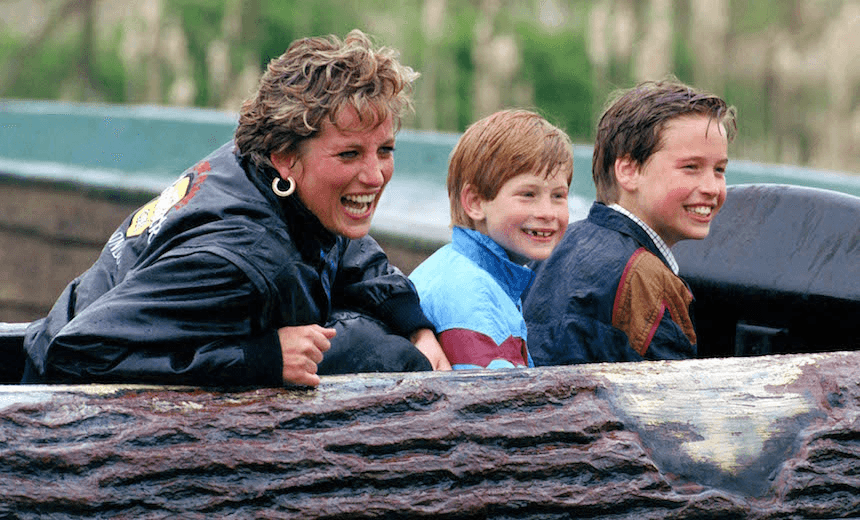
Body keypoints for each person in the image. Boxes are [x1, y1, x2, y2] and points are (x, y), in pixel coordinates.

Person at [21, 29, 451, 387]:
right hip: (60, 424)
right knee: (379, 355)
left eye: (386, 149)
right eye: (350, 155)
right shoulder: (240, 258)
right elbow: (75, 354)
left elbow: (344, 246)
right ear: (286, 156)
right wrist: (260, 358)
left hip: (81, 330)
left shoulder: (263, 171)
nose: (375, 176)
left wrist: (415, 324)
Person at [524, 78, 737, 365]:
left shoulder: (557, 245)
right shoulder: (648, 279)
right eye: (691, 167)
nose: (712, 187)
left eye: (719, 170)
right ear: (628, 171)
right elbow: (675, 400)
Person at [409, 109, 573, 370]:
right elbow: (494, 405)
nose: (547, 212)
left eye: (558, 196)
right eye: (528, 194)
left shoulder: (462, 268)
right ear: (475, 203)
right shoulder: (475, 298)